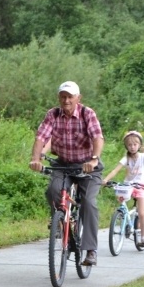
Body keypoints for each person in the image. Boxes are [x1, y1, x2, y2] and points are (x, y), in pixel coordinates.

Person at [30, 81, 104, 266]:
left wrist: (94, 159)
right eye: (63, 96)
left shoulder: (88, 114)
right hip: (63, 164)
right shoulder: (53, 114)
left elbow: (97, 137)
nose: (66, 100)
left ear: (78, 98)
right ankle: (62, 223)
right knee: (53, 191)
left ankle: (90, 250)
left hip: (87, 165)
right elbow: (41, 137)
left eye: (70, 96)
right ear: (59, 98)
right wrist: (36, 159)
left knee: (88, 202)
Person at [101, 131, 144, 247]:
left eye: (135, 144)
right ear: (126, 146)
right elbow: (115, 170)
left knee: (141, 212)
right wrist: (106, 180)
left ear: (139, 145)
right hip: (128, 186)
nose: (132, 147)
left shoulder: (143, 157)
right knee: (121, 200)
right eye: (129, 145)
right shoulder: (126, 158)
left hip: (141, 186)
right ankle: (123, 217)